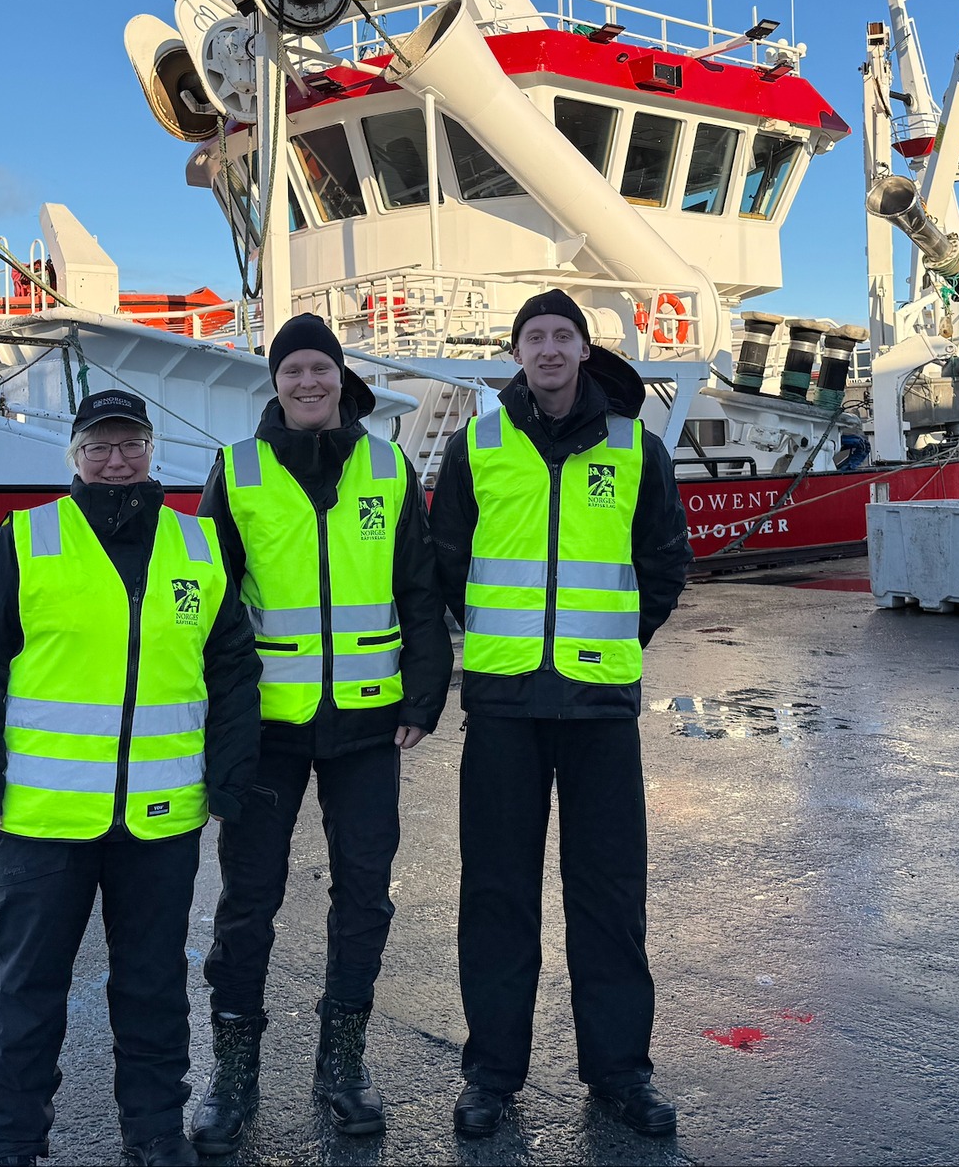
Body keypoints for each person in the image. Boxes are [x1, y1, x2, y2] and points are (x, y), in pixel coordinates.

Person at [0, 389, 262, 1167]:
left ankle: (153, 1134)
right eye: (100, 447)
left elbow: (233, 674)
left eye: (131, 445)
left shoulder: (199, 546)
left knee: (153, 991)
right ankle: (11, 1143)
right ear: (75, 456)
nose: (117, 461)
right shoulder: (26, 539)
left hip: (160, 820)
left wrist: (230, 778)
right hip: (41, 820)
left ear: (153, 450)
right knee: (26, 992)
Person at [428, 289, 692, 1139]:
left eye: (561, 336)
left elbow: (663, 561)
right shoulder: (478, 445)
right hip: (503, 704)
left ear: (584, 349)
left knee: (610, 898)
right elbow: (447, 561)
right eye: (533, 337)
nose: (547, 349)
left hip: (599, 710)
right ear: (517, 353)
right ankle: (491, 1076)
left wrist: (614, 638)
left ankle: (619, 1074)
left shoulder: (636, 447)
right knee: (497, 895)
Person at [190, 314, 453, 1153]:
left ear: (342, 378)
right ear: (275, 381)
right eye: (293, 369)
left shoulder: (389, 465)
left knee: (365, 893)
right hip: (268, 728)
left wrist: (423, 696)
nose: (308, 382)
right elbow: (212, 609)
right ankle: (234, 1071)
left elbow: (420, 590)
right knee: (249, 899)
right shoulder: (236, 472)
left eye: (321, 368)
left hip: (370, 725)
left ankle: (342, 1061)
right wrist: (218, 722)